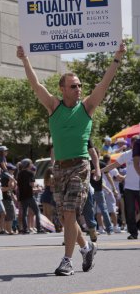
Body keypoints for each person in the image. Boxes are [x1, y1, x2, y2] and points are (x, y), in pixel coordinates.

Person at [17, 42, 126, 276]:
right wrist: (25, 59)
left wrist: (117, 57)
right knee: (66, 216)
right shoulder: (53, 106)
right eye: (73, 86)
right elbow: (35, 84)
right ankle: (87, 248)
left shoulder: (87, 107)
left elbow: (104, 83)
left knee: (69, 213)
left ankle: (67, 260)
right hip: (59, 169)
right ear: (63, 89)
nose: (78, 89)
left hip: (80, 166)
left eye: (79, 85)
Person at [104, 136, 140, 239]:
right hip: (129, 187)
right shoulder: (126, 155)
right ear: (131, 144)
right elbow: (114, 165)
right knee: (130, 211)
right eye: (134, 144)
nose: (135, 146)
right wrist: (101, 170)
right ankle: (133, 233)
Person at [17, 158, 44, 234]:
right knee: (37, 211)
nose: (32, 165)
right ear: (28, 165)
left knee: (24, 213)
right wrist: (36, 186)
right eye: (31, 163)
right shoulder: (30, 173)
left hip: (22, 196)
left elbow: (19, 185)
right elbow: (31, 184)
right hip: (29, 195)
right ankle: (39, 228)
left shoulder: (19, 174)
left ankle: (25, 229)